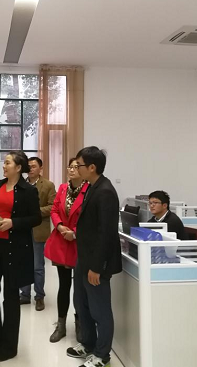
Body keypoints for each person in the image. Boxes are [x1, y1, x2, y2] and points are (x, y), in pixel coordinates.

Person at [0, 151, 41, 362]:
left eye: (7, 163)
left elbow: (35, 218)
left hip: (14, 248)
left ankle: (9, 345)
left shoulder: (28, 190)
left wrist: (13, 223)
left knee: (10, 297)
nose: (4, 166)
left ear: (18, 167)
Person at [67, 146, 122, 367]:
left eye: (79, 165)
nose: (76, 168)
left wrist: (97, 267)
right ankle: (87, 343)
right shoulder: (91, 186)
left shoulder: (105, 191)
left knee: (100, 310)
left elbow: (106, 234)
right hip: (84, 258)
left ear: (92, 167)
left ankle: (102, 355)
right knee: (82, 304)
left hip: (96, 263)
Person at [44, 157, 89, 343]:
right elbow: (54, 210)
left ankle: (80, 323)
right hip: (62, 241)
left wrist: (75, 233)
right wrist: (60, 226)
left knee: (80, 288)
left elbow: (89, 218)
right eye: (70, 167)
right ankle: (61, 325)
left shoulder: (89, 190)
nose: (71, 170)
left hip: (79, 243)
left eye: (75, 167)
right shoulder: (63, 188)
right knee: (63, 286)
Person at [20, 156, 56, 311]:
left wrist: (34, 212)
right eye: (28, 166)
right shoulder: (20, 184)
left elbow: (52, 207)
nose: (30, 169)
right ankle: (25, 294)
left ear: (41, 168)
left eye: (34, 166)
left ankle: (39, 296)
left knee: (37, 266)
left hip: (38, 229)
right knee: (23, 263)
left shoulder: (48, 185)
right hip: (22, 230)